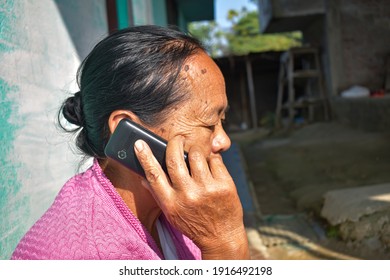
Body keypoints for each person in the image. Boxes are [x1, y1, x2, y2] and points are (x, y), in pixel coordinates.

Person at [11, 25, 250, 260]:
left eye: (223, 119)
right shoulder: (72, 257)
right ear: (131, 131)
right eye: (209, 123)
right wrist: (224, 243)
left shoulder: (185, 206)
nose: (223, 141)